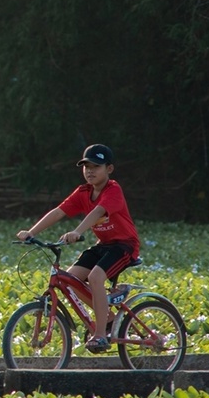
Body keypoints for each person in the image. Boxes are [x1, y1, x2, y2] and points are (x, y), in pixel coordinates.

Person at [16, 144, 140, 353]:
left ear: (109, 169)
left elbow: (98, 212)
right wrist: (31, 232)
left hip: (124, 246)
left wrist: (78, 231)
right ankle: (108, 318)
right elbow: (58, 212)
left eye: (96, 166)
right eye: (86, 166)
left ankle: (100, 335)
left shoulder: (113, 190)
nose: (90, 171)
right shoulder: (83, 192)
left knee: (95, 277)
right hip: (104, 245)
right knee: (71, 279)